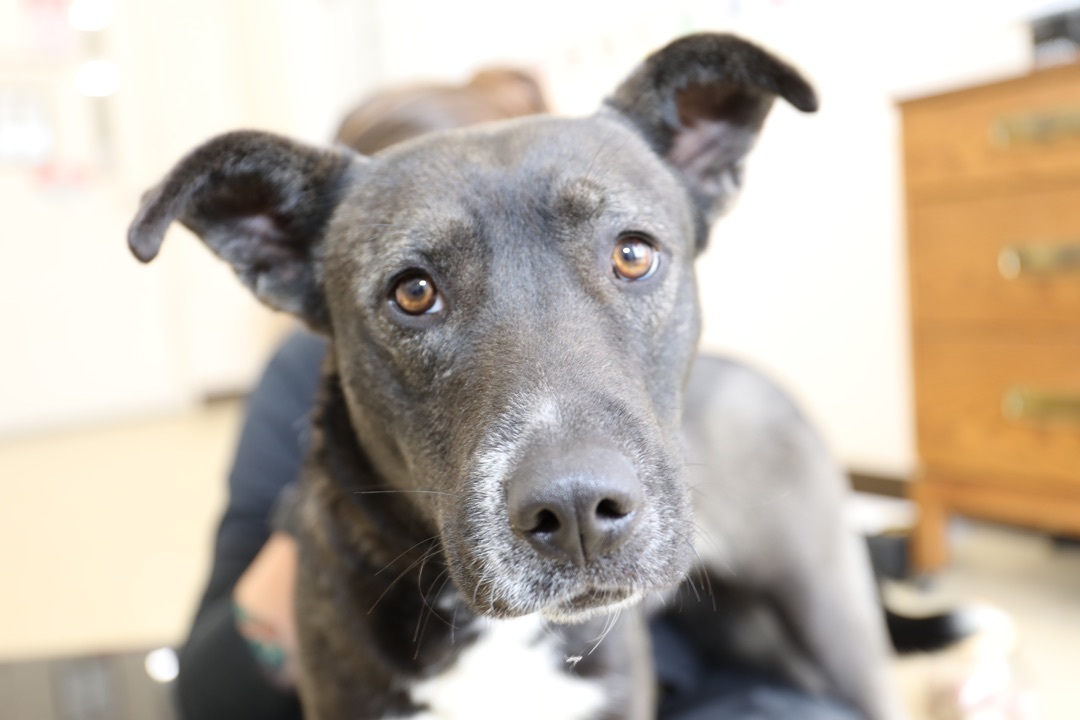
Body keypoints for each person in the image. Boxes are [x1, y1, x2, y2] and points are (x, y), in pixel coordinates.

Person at [174, 69, 860, 720]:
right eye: (417, 292)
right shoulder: (301, 374)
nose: (577, 491)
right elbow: (208, 688)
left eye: (629, 257)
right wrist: (321, 514)